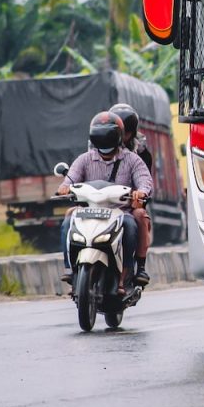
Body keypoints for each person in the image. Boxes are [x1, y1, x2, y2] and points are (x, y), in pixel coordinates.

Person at [57, 111, 153, 287]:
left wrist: (142, 191)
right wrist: (64, 188)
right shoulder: (84, 159)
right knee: (69, 216)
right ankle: (69, 267)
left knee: (133, 222)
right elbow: (70, 179)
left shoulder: (132, 160)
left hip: (121, 212)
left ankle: (130, 270)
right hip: (88, 211)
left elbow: (144, 180)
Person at [109, 102, 153, 283]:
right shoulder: (96, 146)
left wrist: (139, 194)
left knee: (140, 215)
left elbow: (145, 179)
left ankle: (140, 267)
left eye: (124, 132)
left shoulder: (139, 153)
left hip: (128, 202)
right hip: (101, 200)